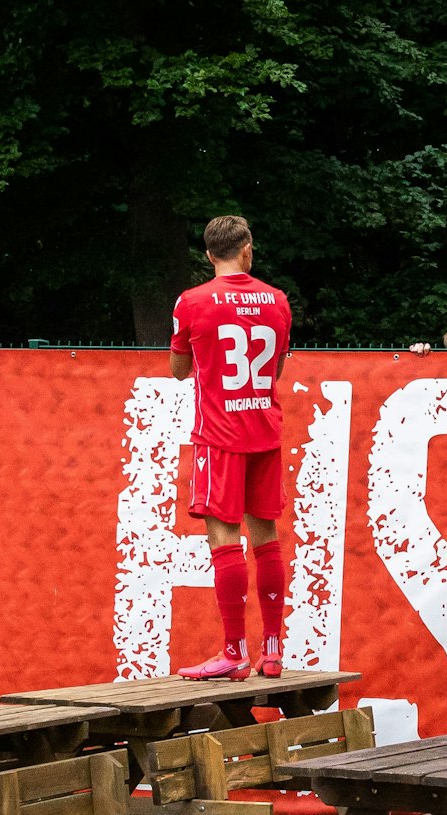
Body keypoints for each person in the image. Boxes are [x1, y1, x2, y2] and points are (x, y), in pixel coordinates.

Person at [168, 215, 294, 680]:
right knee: (267, 540)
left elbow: (179, 370)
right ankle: (274, 650)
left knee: (224, 541)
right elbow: (276, 370)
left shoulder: (192, 301)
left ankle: (234, 651)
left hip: (218, 435)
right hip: (264, 430)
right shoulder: (278, 301)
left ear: (208, 255)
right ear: (247, 249)